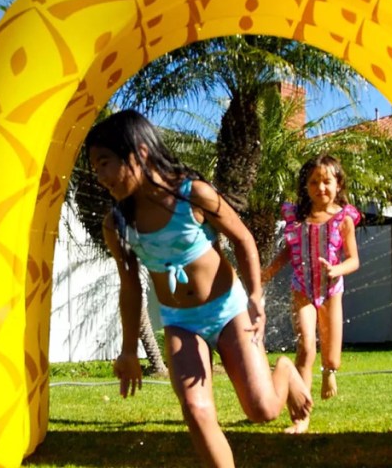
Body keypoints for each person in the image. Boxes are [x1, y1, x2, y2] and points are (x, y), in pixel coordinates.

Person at [84, 110, 313, 468]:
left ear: (141, 153)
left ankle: (283, 370)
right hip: (180, 321)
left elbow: (243, 239)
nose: (100, 177)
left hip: (228, 309)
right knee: (195, 409)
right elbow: (130, 289)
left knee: (263, 410)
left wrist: (255, 297)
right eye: (95, 168)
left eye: (105, 163)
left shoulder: (193, 196)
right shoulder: (117, 225)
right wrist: (129, 351)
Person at [261, 154, 361, 433]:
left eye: (327, 181)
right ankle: (301, 417)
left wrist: (337, 269)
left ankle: (330, 373)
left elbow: (354, 259)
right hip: (302, 288)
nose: (321, 188)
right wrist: (267, 272)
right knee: (305, 348)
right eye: (314, 182)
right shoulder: (298, 218)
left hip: (330, 290)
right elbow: (288, 250)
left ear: (338, 184)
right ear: (305, 186)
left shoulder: (343, 219)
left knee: (332, 354)